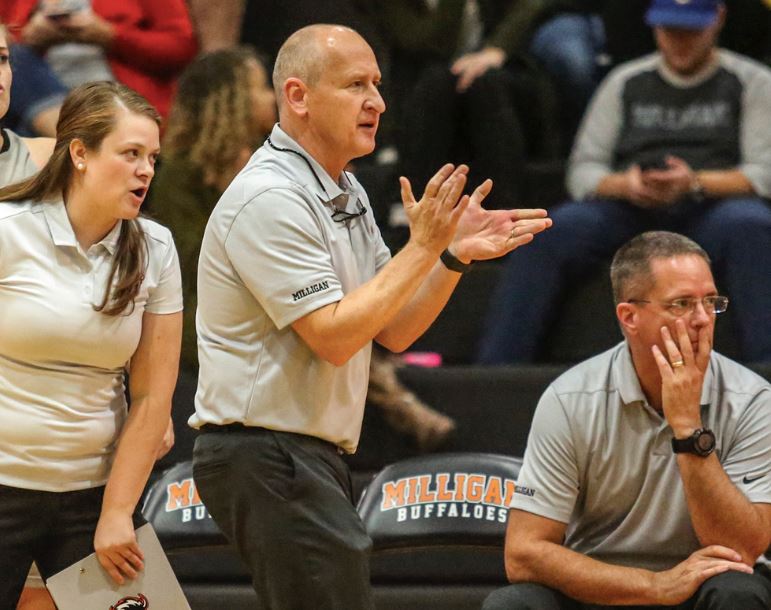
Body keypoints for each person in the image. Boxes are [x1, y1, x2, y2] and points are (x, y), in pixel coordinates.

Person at [190, 23, 551, 608]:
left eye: (377, 84)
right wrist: (422, 246)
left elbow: (394, 328)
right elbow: (334, 337)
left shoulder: (345, 190)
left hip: (306, 452)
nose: (377, 101)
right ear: (298, 96)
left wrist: (450, 256)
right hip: (264, 451)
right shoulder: (269, 197)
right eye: (355, 84)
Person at [483, 230, 771, 609]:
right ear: (630, 317)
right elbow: (523, 553)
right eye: (682, 304)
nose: (703, 319)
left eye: (710, 302)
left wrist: (688, 429)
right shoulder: (570, 399)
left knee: (739, 592)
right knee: (513, 603)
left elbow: (742, 548)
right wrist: (654, 585)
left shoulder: (752, 399)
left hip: (703, 584)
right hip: (603, 585)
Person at [477, 0, 771, 364]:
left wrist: (694, 182)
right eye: (670, 31)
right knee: (548, 231)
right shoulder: (625, 80)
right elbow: (583, 171)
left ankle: (766, 368)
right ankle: (497, 368)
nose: (680, 41)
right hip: (631, 207)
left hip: (713, 207)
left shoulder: (752, 81)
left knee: (752, 225)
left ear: (718, 20)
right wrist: (626, 185)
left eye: (691, 31)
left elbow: (762, 173)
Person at [0, 80, 183, 609]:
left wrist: (117, 512)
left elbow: (152, 396)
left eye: (152, 157)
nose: (146, 170)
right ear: (80, 153)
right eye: (130, 154)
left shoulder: (156, 247)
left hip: (97, 495)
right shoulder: (9, 230)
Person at [1, 0, 197, 119]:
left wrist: (112, 37)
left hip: (122, 103)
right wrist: (28, 37)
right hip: (35, 108)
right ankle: (75, 136)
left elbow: (181, 48)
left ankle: (75, 137)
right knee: (17, 56)